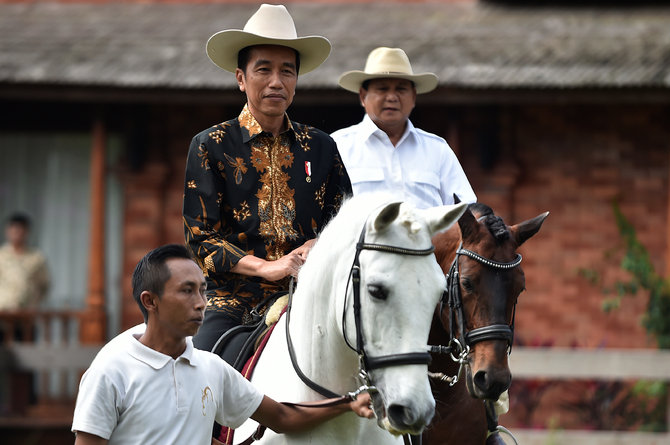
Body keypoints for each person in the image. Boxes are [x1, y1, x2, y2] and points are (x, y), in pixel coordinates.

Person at [71, 244, 372, 445]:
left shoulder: (211, 368)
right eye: (187, 291)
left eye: (203, 291)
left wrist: (348, 403)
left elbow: (281, 416)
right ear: (151, 301)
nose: (201, 303)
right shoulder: (111, 370)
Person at [183, 4, 352, 352]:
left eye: (287, 71)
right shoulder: (210, 145)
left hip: (313, 293)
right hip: (233, 301)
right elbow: (202, 239)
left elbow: (345, 223)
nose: (277, 81)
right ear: (241, 78)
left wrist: (318, 245)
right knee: (200, 373)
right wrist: (267, 268)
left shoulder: (322, 147)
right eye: (264, 70)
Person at [331, 46, 476, 209]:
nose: (392, 97)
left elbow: (466, 211)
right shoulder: (337, 146)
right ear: (363, 96)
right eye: (382, 89)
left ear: (413, 97)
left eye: (401, 89)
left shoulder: (437, 149)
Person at [0, 212, 49, 311]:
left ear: (27, 232)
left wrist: (34, 302)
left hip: (26, 313)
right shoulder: (1, 255)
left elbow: (44, 285)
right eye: (14, 230)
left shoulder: (36, 257)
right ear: (8, 231)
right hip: (3, 312)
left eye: (20, 230)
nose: (17, 234)